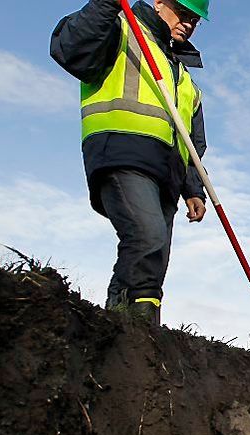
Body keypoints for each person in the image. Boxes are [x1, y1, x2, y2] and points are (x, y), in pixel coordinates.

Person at [51, 0, 211, 324]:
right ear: (159, 3)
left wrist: (194, 189)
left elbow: (193, 146)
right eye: (183, 13)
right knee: (147, 237)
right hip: (123, 155)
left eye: (195, 19)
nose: (189, 23)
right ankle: (125, 329)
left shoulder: (186, 82)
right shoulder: (122, 29)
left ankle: (140, 335)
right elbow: (71, 48)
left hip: (167, 175)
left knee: (155, 259)